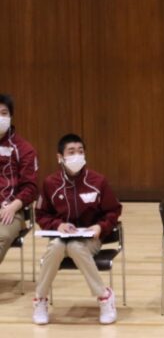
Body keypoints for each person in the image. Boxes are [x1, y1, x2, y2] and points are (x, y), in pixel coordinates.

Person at [32, 134, 122, 325]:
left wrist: (100, 226)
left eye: (80, 152)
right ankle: (40, 299)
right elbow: (41, 215)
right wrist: (58, 225)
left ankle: (104, 298)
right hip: (60, 238)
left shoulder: (98, 181)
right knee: (57, 246)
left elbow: (113, 210)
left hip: (90, 239)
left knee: (75, 247)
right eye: (71, 152)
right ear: (60, 157)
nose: (77, 156)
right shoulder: (50, 183)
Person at [0, 94, 38, 266]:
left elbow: (30, 188)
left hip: (11, 210)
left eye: (4, 113)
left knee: (3, 236)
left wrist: (13, 206)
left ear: (10, 117)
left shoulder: (24, 149)